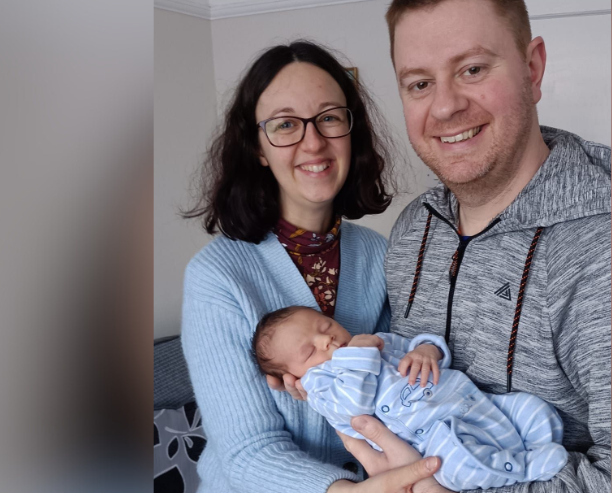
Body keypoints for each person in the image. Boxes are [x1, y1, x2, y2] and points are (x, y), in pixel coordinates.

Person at [334, 0, 612, 493]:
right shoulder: (414, 229)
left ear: (532, 69)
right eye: (419, 84)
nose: (444, 108)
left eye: (472, 69)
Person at [181, 40, 441, 493]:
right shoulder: (218, 276)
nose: (314, 141)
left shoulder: (382, 255)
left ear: (351, 130)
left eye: (329, 118)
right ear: (258, 148)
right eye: (285, 124)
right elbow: (247, 451)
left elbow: (400, 387)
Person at [252, 305, 569, 491]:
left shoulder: (376, 340)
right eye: (309, 351)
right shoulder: (322, 389)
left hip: (472, 402)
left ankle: (536, 444)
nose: (326, 339)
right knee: (455, 467)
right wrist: (356, 356)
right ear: (296, 377)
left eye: (326, 325)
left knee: (533, 409)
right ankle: (524, 467)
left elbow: (417, 345)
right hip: (436, 439)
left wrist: (427, 349)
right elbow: (354, 409)